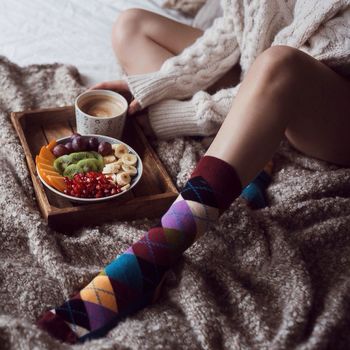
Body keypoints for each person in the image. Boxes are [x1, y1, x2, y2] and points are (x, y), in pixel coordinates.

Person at [37, 1, 350, 343]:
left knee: (279, 65)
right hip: (269, 72)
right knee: (132, 26)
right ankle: (253, 154)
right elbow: (243, 32)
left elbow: (293, 67)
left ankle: (152, 258)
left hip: (328, 102)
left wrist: (181, 115)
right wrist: (157, 84)